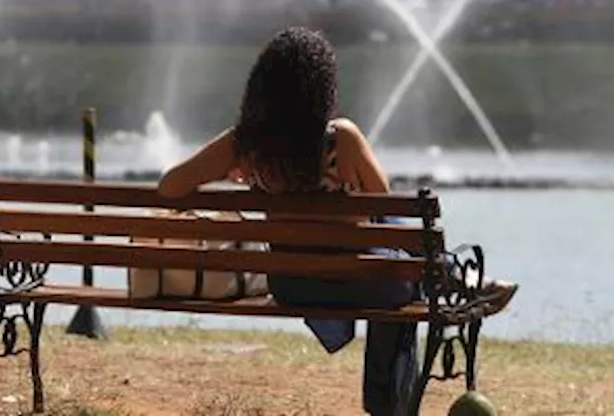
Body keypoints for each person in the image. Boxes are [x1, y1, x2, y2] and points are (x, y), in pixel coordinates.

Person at [157, 26, 421, 415]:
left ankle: (449, 282)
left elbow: (169, 186)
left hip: (293, 285)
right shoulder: (341, 139)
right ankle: (386, 402)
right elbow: (386, 209)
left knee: (405, 262)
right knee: (414, 266)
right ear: (322, 88)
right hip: (364, 284)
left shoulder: (244, 146)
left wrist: (228, 171)